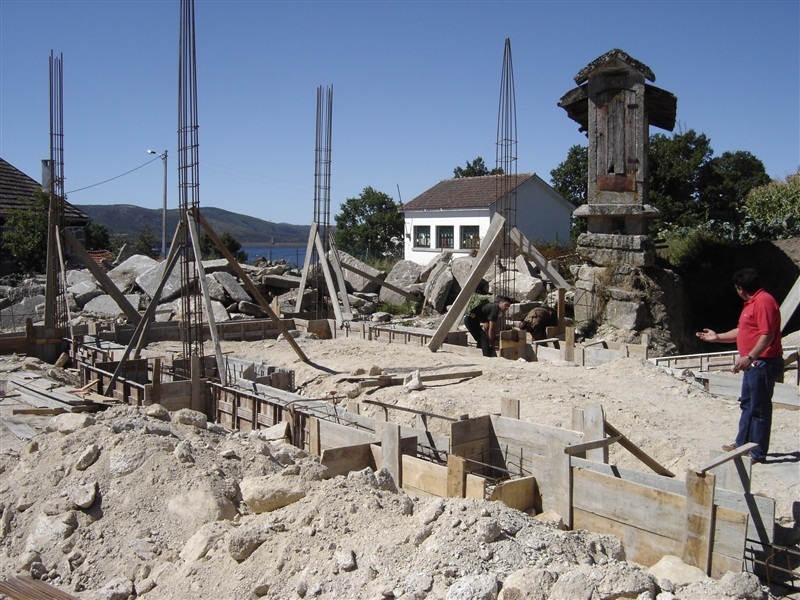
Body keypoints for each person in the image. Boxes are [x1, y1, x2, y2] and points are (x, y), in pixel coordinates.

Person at [696, 268, 783, 464]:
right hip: (754, 363)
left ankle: (757, 453)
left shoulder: (764, 302)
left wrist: (750, 356)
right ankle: (742, 444)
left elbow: (767, 335)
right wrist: (717, 337)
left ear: (741, 289)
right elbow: (742, 331)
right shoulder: (751, 304)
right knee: (747, 405)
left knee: (759, 409)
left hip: (763, 362)